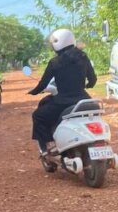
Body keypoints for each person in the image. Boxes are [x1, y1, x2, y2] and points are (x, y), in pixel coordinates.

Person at [29, 29, 97, 157]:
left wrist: (34, 92)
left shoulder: (55, 62)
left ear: (57, 43)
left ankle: (49, 145)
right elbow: (93, 79)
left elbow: (43, 84)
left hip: (63, 101)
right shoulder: (83, 57)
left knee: (38, 116)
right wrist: (88, 85)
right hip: (84, 99)